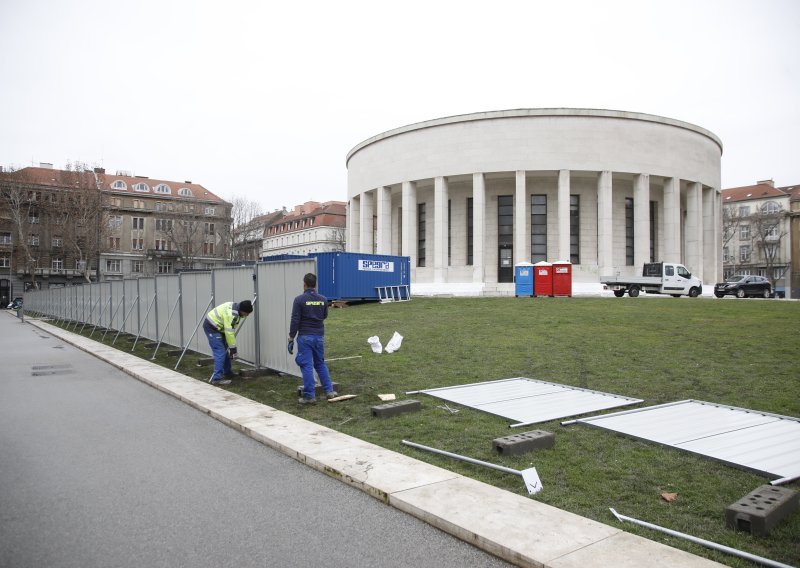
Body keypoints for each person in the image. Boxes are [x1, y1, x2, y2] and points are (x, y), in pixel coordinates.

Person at [289, 273, 337, 404]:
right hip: (319, 336)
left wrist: (291, 337)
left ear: (304, 284)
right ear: (315, 284)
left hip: (305, 337)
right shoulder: (323, 299)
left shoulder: (299, 300)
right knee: (320, 363)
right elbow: (324, 316)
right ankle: (329, 391)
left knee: (307, 365)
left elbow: (295, 320)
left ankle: (309, 396)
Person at [204, 299, 253, 386]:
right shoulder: (233, 315)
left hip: (220, 328)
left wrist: (231, 349)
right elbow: (229, 332)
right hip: (212, 327)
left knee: (224, 351)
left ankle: (228, 373)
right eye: (246, 313)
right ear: (242, 310)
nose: (247, 315)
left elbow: (228, 330)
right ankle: (217, 379)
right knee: (220, 352)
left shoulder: (236, 308)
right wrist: (233, 349)